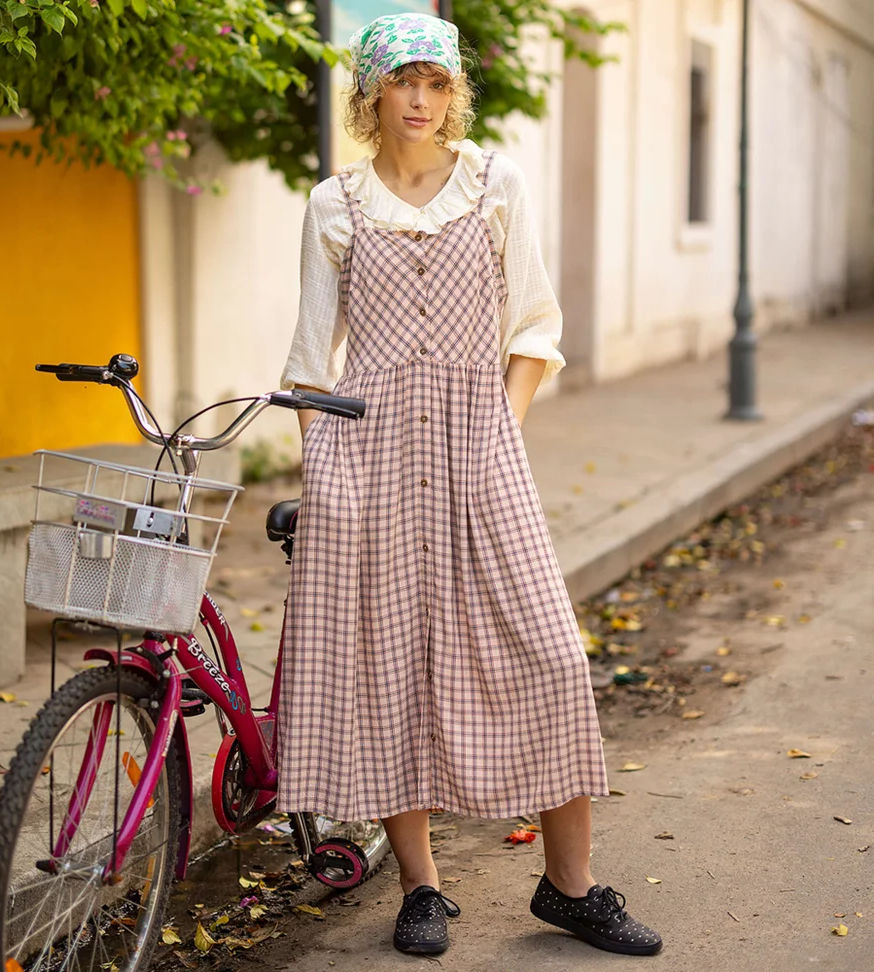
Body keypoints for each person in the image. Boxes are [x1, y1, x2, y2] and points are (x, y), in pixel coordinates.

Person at [277, 11, 662, 959]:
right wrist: (323, 466)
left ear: (455, 94)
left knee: (549, 655)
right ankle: (421, 889)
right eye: (403, 80)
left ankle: (569, 889)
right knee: (391, 670)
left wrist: (501, 433)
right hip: (365, 458)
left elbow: (533, 324)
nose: (420, 98)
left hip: (481, 447)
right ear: (373, 92)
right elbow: (309, 360)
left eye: (436, 82)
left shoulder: (496, 183)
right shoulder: (336, 203)